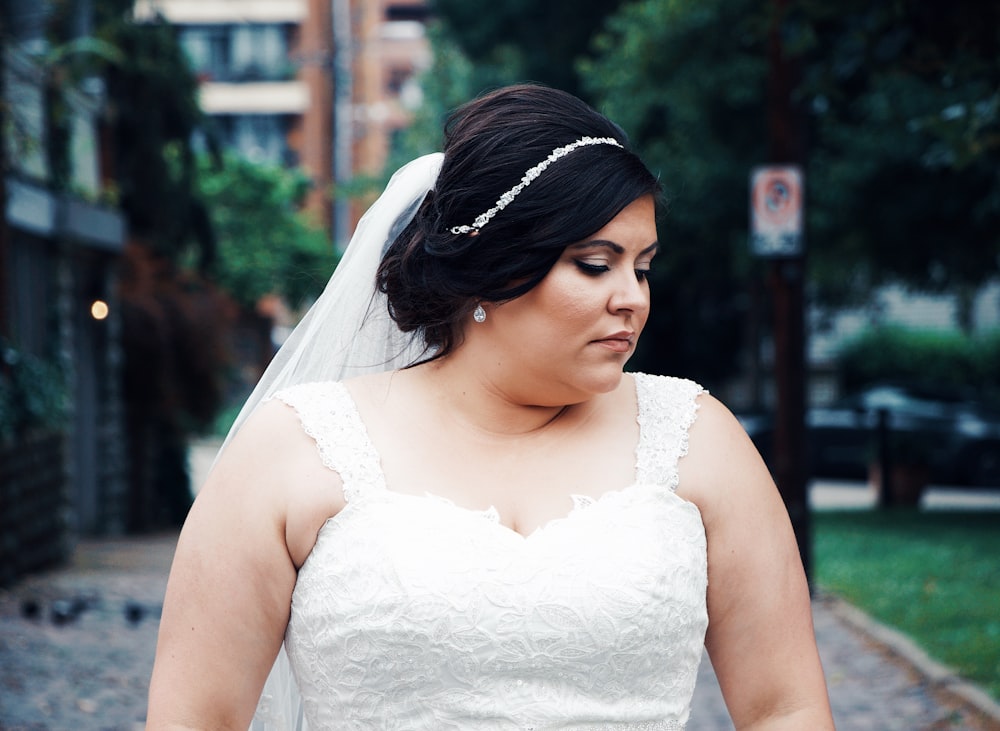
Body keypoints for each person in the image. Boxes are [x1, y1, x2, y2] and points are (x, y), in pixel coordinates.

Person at [146, 84, 834, 730]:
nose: (632, 297)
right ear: (493, 267)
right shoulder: (294, 449)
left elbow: (785, 708)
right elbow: (195, 716)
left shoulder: (696, 438)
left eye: (642, 266)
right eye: (595, 264)